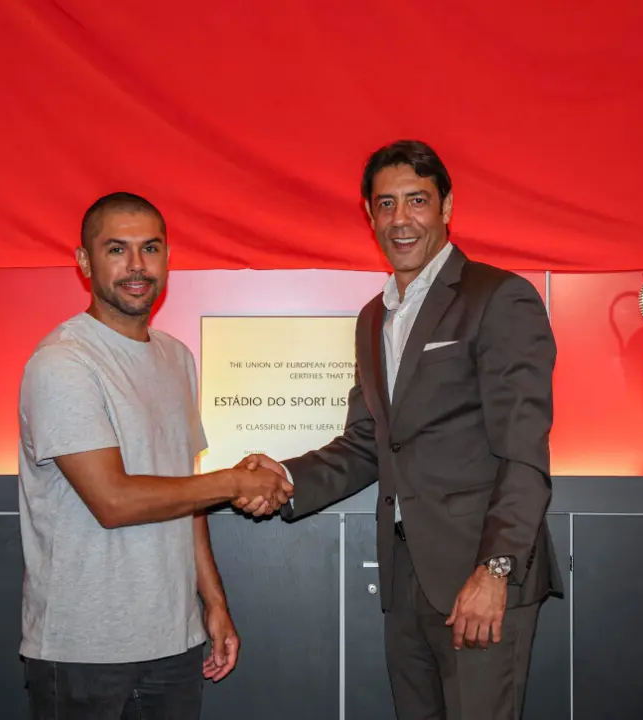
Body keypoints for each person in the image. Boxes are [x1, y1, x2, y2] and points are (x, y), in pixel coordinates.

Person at [238, 140, 561, 719]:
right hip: (405, 579)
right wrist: (284, 476)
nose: (401, 219)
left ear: (446, 207)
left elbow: (523, 453)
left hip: (481, 576)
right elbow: (369, 442)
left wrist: (496, 571)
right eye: (386, 204)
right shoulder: (372, 318)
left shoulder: (499, 297)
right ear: (370, 216)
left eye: (417, 200)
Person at [17, 191, 292, 719]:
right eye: (116, 250)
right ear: (84, 262)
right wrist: (235, 482)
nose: (137, 266)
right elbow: (113, 500)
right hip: (83, 650)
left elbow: (184, 495)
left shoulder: (177, 358)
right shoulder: (63, 363)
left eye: (150, 248)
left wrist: (213, 603)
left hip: (174, 643)